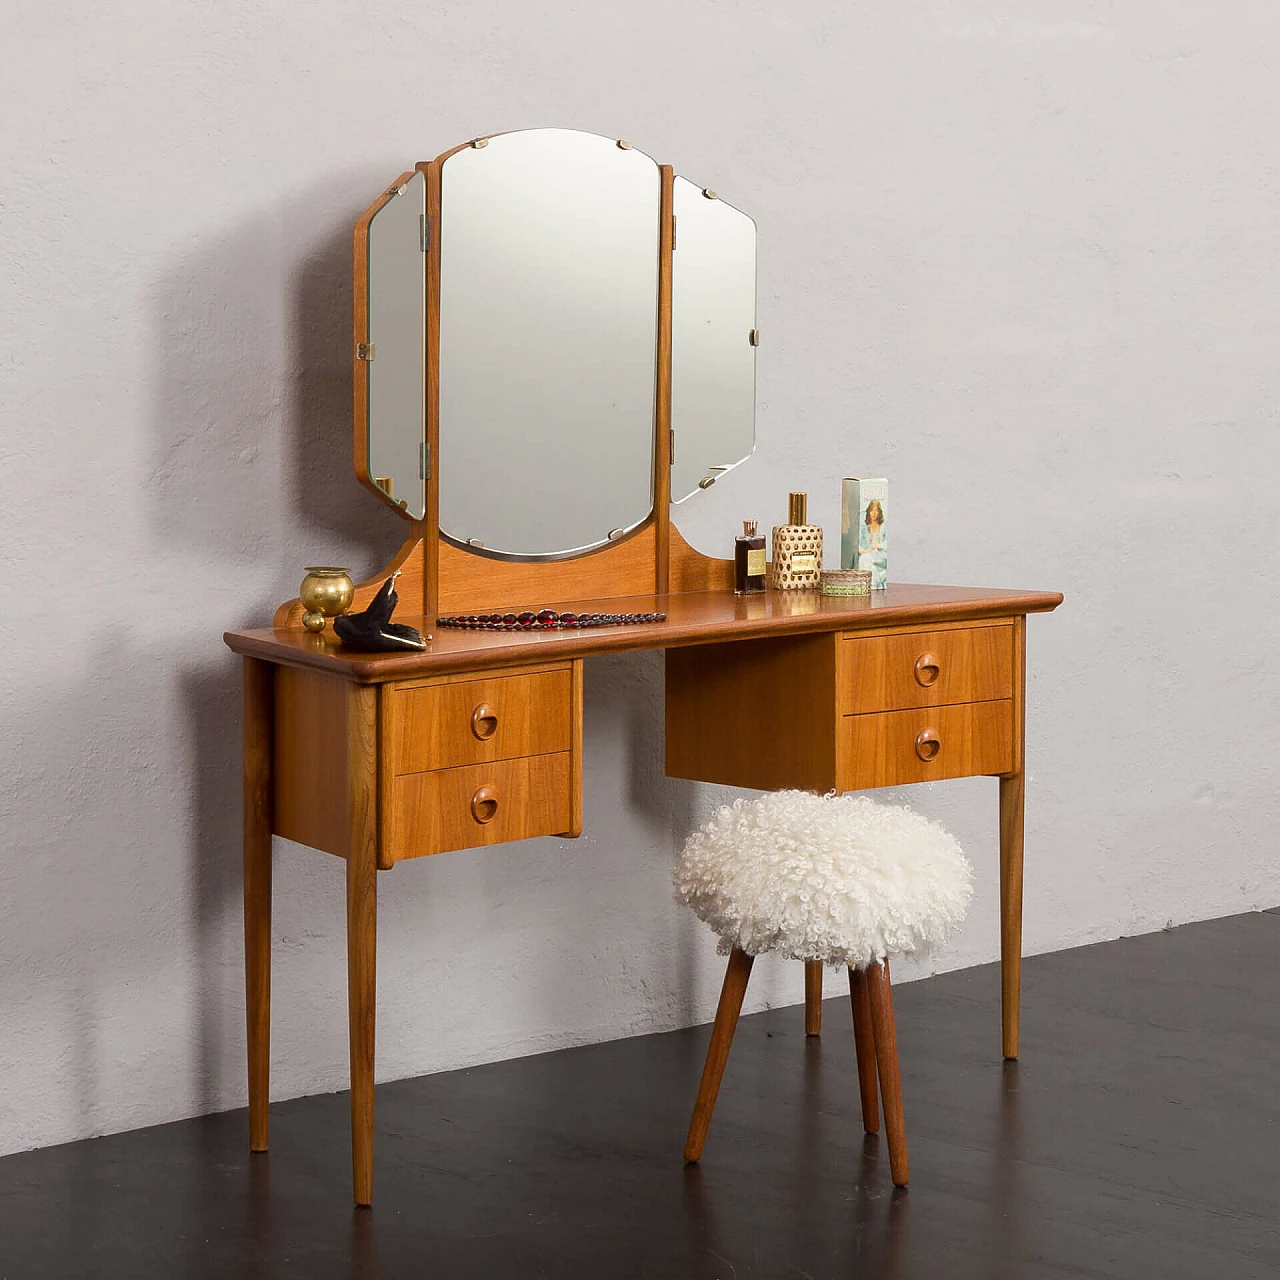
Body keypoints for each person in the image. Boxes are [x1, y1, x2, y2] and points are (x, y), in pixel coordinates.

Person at [858, 498, 887, 590]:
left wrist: (878, 546)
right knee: (864, 558)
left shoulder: (883, 526)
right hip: (868, 555)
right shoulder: (864, 528)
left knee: (865, 558)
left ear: (879, 513)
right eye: (871, 510)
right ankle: (870, 586)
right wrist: (862, 551)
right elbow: (858, 544)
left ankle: (870, 586)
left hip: (880, 556)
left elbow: (887, 542)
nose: (874, 513)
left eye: (876, 511)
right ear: (868, 512)